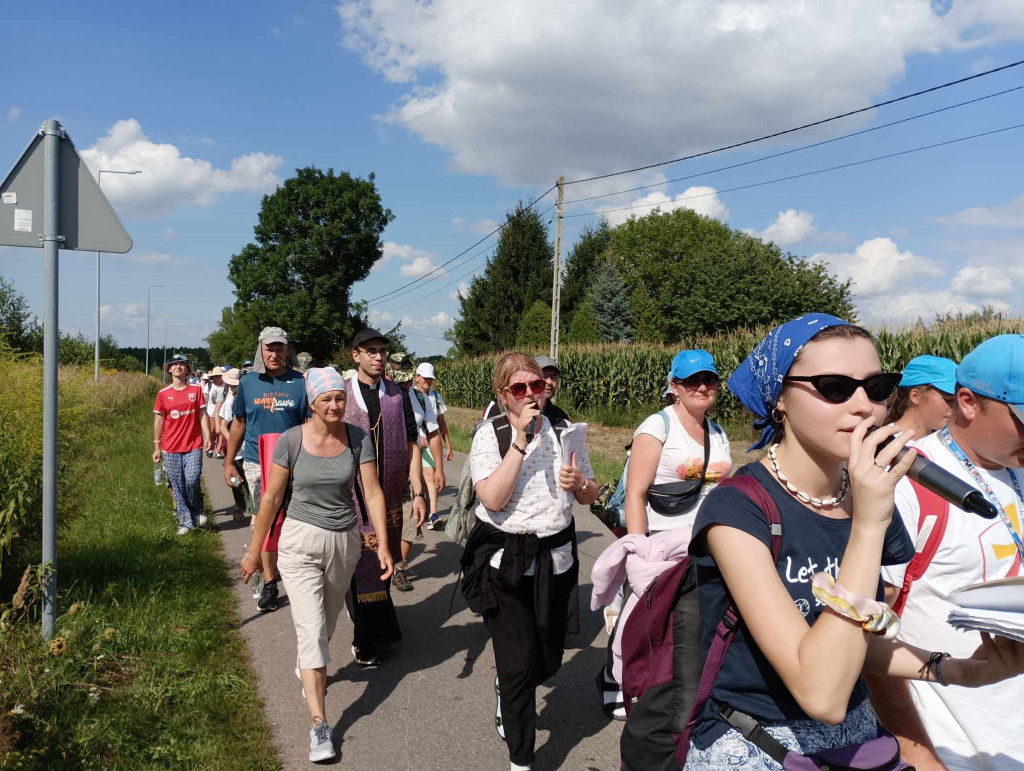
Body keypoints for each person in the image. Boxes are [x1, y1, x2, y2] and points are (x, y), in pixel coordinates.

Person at [681, 313, 1024, 769]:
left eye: (877, 386)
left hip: (859, 741)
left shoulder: (858, 493)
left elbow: (857, 640)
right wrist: (867, 523)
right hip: (758, 742)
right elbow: (821, 692)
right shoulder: (738, 510)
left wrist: (957, 669)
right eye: (835, 387)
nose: (864, 406)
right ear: (780, 398)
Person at [868, 335, 1024, 770]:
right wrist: (917, 752)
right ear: (969, 402)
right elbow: (865, 634)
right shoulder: (908, 482)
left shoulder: (1017, 468)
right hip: (955, 744)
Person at [240, 368, 393, 763]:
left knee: (323, 625)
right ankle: (319, 725)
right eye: (327, 399)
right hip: (299, 544)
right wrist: (255, 552)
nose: (335, 405)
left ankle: (307, 664)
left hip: (344, 542)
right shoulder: (292, 440)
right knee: (312, 633)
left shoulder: (358, 438)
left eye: (340, 398)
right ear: (311, 402)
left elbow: (372, 493)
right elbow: (271, 499)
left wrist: (384, 545)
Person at [462, 352, 599, 771]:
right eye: (518, 389)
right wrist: (521, 441)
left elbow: (590, 493)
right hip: (506, 561)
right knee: (519, 664)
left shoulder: (564, 430)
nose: (529, 395)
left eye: (535, 386)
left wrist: (581, 484)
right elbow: (492, 498)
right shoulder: (492, 433)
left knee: (549, 657)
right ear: (503, 394)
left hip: (555, 559)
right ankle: (522, 759)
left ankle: (510, 687)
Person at [598, 350, 733, 721]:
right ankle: (614, 677)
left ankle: (674, 687)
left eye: (709, 380)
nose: (702, 387)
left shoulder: (717, 432)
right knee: (640, 615)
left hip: (706, 541)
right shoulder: (657, 428)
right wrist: (639, 550)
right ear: (675, 387)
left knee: (693, 621)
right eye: (692, 381)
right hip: (659, 538)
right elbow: (637, 492)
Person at [343, 330, 427, 665]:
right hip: (351, 497)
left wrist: (418, 491)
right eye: (370, 351)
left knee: (383, 561)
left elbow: (412, 443)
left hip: (390, 497)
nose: (378, 357)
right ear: (356, 356)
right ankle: (366, 637)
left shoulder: (397, 394)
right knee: (361, 564)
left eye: (382, 351)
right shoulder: (343, 393)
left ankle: (372, 630)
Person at [225, 327, 309, 612]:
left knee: (295, 522)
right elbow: (238, 423)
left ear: (288, 351)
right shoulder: (249, 384)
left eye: (280, 348)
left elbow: (310, 427)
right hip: (256, 463)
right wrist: (227, 462)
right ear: (260, 350)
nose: (275, 354)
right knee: (266, 520)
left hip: (295, 463)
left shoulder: (300, 383)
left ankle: (298, 572)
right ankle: (271, 583)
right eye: (269, 348)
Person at [386, 352, 443, 592]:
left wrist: (439, 468)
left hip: (412, 465)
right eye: (399, 379)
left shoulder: (420, 398)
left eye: (408, 379)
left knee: (412, 519)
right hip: (382, 467)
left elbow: (433, 432)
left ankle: (399, 567)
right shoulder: (379, 394)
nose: (404, 384)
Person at [154, 354, 212, 535]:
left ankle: (197, 509)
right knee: (177, 485)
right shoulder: (163, 394)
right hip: (170, 447)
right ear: (169, 369)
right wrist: (157, 446)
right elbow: (159, 420)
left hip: (193, 444)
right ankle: (185, 522)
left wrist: (208, 435)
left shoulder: (195, 390)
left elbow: (202, 415)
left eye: (182, 364)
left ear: (187, 369)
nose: (178, 367)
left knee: (193, 478)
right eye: (174, 365)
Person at [414, 362, 451, 531]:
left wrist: (448, 446)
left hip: (430, 443)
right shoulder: (409, 395)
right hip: (413, 444)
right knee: (416, 479)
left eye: (430, 378)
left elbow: (441, 424)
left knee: (431, 477)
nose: (428, 381)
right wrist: (416, 437)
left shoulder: (435, 397)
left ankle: (433, 514)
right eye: (425, 378)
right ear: (417, 377)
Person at [884, 355, 957, 440]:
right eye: (948, 399)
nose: (955, 407)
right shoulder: (884, 442)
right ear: (915, 396)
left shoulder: (947, 442)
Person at [483, 355, 570, 425]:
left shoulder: (560, 417)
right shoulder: (497, 409)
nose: (549, 381)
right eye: (544, 376)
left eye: (553, 377)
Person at [218, 367, 251, 523]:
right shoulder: (230, 400)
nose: (233, 388)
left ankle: (251, 508)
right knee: (235, 481)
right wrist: (232, 439)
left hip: (250, 449)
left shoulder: (251, 397)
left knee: (251, 480)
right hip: (236, 450)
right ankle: (239, 507)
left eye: (235, 385)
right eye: (232, 386)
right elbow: (222, 425)